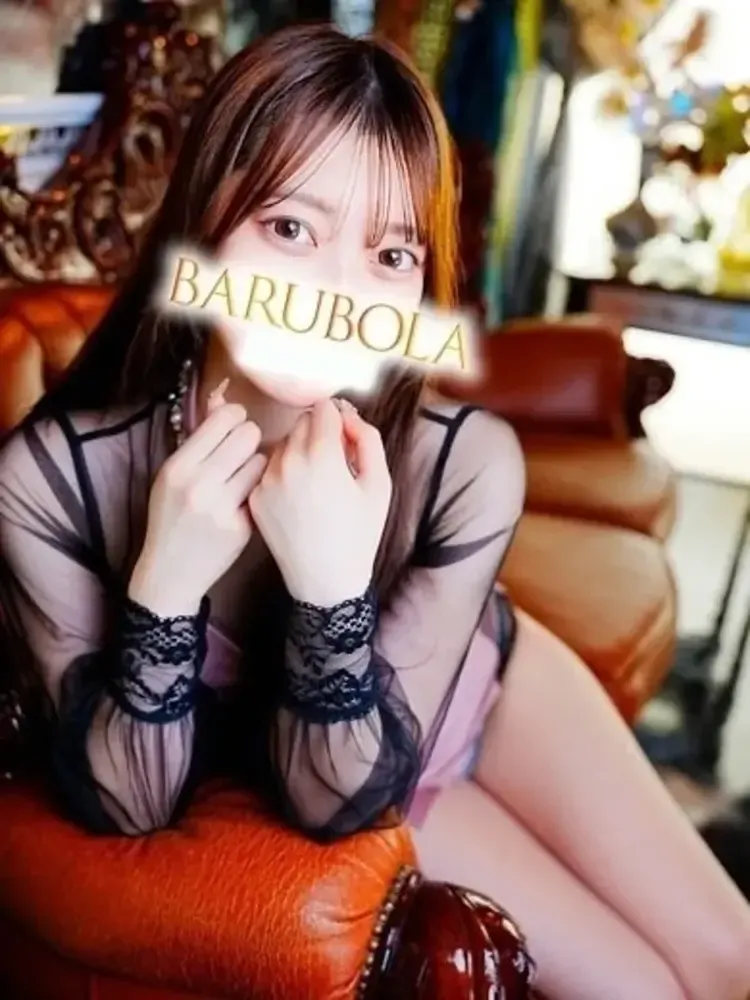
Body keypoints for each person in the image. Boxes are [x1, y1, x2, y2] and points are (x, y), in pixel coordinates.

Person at [0, 23, 748, 1000]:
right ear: (203, 223)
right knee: (647, 991)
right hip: (375, 767)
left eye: (389, 252)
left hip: (484, 685)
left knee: (732, 957)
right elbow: (173, 806)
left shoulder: (463, 461)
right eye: (291, 229)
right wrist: (168, 587)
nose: (337, 294)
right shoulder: (52, 478)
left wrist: (332, 581)